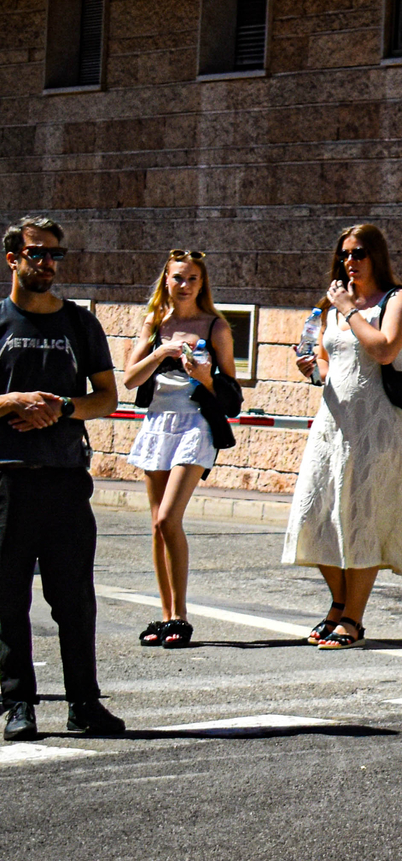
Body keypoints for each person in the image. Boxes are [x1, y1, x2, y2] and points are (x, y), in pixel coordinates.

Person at [0, 216, 123, 741]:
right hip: (6, 481)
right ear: (13, 259)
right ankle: (18, 704)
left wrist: (62, 408)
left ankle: (83, 702)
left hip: (66, 479)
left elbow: (107, 398)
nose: (48, 264)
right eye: (37, 254)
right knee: (8, 598)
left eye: (56, 255)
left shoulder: (79, 324)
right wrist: (12, 402)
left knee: (73, 597)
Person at [283, 224, 402, 648]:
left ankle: (353, 618)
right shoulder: (329, 307)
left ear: (376, 256)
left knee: (362, 517)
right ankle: (338, 602)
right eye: (345, 253)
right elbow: (329, 364)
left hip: (375, 427)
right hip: (331, 425)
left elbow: (383, 349)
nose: (350, 260)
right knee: (317, 514)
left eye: (359, 252)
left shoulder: (397, 299)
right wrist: (313, 369)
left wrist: (349, 311)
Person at [120, 248, 239, 648]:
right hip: (158, 424)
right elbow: (130, 380)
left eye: (192, 279)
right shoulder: (154, 323)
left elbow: (232, 395)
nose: (184, 285)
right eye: (177, 278)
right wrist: (159, 351)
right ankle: (165, 613)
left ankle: (182, 615)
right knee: (157, 525)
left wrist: (205, 376)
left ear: (202, 283)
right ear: (165, 281)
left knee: (169, 517)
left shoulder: (215, 326)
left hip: (196, 425)